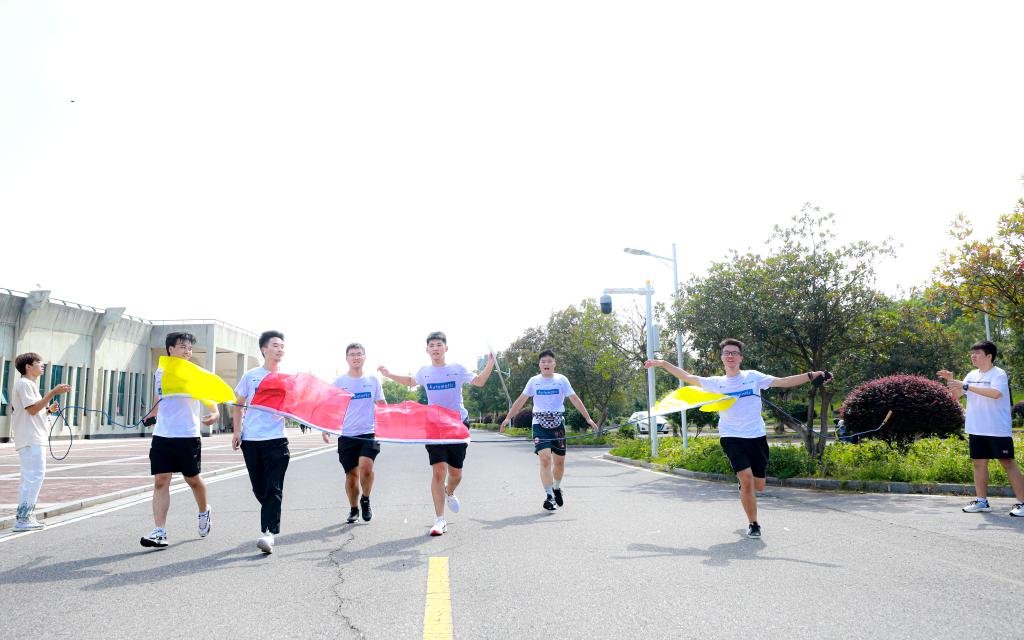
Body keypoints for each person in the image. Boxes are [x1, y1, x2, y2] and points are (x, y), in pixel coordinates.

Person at [645, 338, 828, 538]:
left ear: (741, 358)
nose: (730, 356)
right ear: (722, 358)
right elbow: (688, 377)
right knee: (747, 479)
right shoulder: (716, 383)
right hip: (731, 436)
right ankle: (754, 524)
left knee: (759, 486)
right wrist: (663, 363)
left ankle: (744, 485)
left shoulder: (753, 377)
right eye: (727, 353)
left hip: (756, 436)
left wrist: (811, 375)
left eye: (734, 353)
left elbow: (783, 382)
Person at [379, 331, 494, 536]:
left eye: (439, 345)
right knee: (439, 470)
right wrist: (389, 375)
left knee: (456, 473)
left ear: (446, 348)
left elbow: (479, 381)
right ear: (427, 350)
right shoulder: (425, 372)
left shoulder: (457, 369)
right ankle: (440, 520)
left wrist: (490, 363)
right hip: (434, 425)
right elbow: (410, 381)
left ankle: (450, 490)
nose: (435, 348)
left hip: (457, 425)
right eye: (431, 345)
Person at [139, 332, 217, 548]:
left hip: (188, 435)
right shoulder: (160, 372)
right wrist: (152, 415)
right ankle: (160, 531)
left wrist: (215, 412)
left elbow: (206, 394)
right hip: (162, 434)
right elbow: (159, 397)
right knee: (160, 481)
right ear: (170, 349)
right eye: (183, 347)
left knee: (192, 479)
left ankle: (204, 511)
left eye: (189, 348)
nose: (187, 351)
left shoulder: (193, 372)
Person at [500, 349, 598, 511]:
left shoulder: (561, 380)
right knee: (545, 459)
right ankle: (549, 496)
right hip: (539, 424)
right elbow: (521, 400)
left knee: (559, 463)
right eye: (543, 361)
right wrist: (508, 417)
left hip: (558, 425)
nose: (546, 364)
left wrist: (588, 418)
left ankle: (556, 487)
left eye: (549, 361)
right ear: (539, 365)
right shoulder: (534, 381)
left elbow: (574, 398)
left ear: (554, 364)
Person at [938, 340, 1024, 516]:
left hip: (997, 428)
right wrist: (951, 381)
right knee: (979, 463)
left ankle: (1023, 502)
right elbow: (956, 396)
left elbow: (995, 394)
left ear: (989, 356)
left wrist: (966, 386)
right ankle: (981, 501)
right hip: (976, 428)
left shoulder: (998, 374)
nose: (973, 356)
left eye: (977, 353)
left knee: (1007, 462)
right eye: (972, 353)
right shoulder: (971, 375)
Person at [233, 330, 289, 553]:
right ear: (264, 349)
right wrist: (237, 431)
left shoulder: (287, 379)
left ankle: (268, 533)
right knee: (260, 488)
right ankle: (270, 515)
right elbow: (238, 404)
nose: (280, 349)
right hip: (252, 440)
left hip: (277, 440)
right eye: (275, 345)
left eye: (282, 346)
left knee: (273, 487)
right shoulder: (251, 376)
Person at [323, 343, 386, 524]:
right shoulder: (339, 383)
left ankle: (365, 499)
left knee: (366, 468)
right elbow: (329, 407)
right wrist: (325, 429)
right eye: (352, 354)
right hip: (347, 435)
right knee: (351, 476)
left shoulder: (373, 380)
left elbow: (382, 405)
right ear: (347, 358)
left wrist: (386, 427)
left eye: (359, 354)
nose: (356, 357)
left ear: (364, 357)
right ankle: (353, 508)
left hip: (369, 433)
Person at [10, 353, 70, 532]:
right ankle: (23, 519)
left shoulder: (29, 385)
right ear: (28, 366)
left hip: (32, 438)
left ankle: (25, 516)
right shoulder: (24, 384)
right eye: (38, 363)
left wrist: (48, 411)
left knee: (31, 477)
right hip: (31, 439)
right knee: (34, 476)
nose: (42, 365)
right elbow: (32, 410)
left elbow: (35, 411)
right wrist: (53, 392)